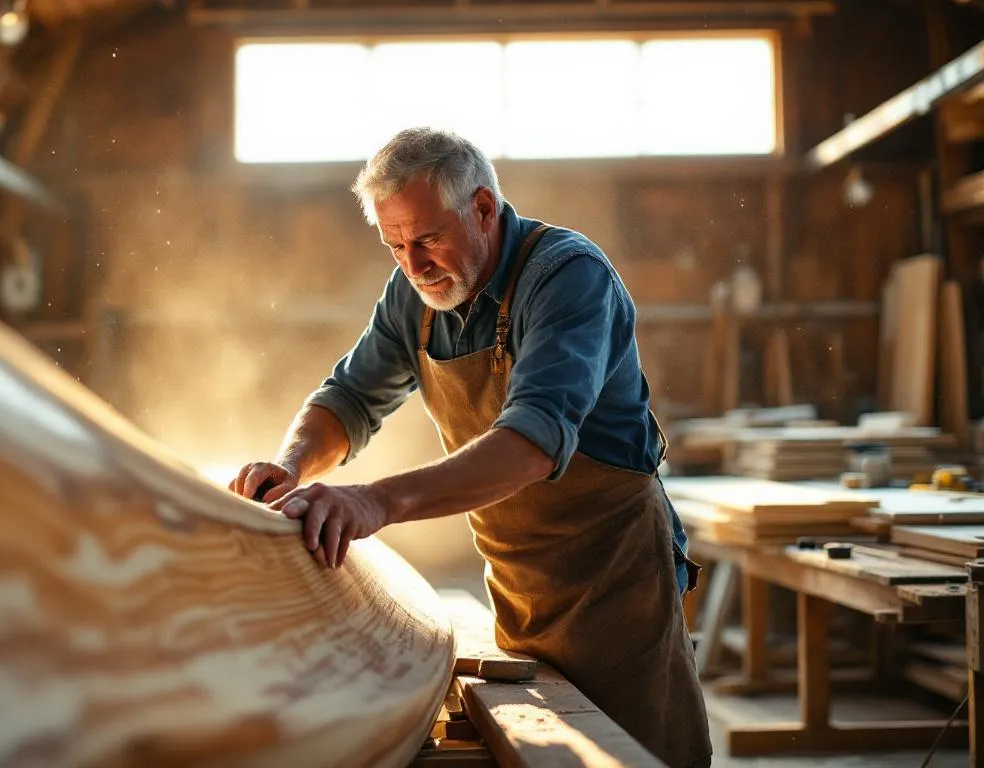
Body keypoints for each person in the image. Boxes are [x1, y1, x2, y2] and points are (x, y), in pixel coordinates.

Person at [228, 127, 712, 768]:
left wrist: (375, 502)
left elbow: (533, 442)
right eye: (394, 244)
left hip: (617, 584)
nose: (414, 264)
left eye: (428, 239)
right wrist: (289, 465)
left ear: (483, 208)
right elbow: (348, 398)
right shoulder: (414, 296)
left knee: (641, 754)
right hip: (517, 585)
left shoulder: (568, 278)